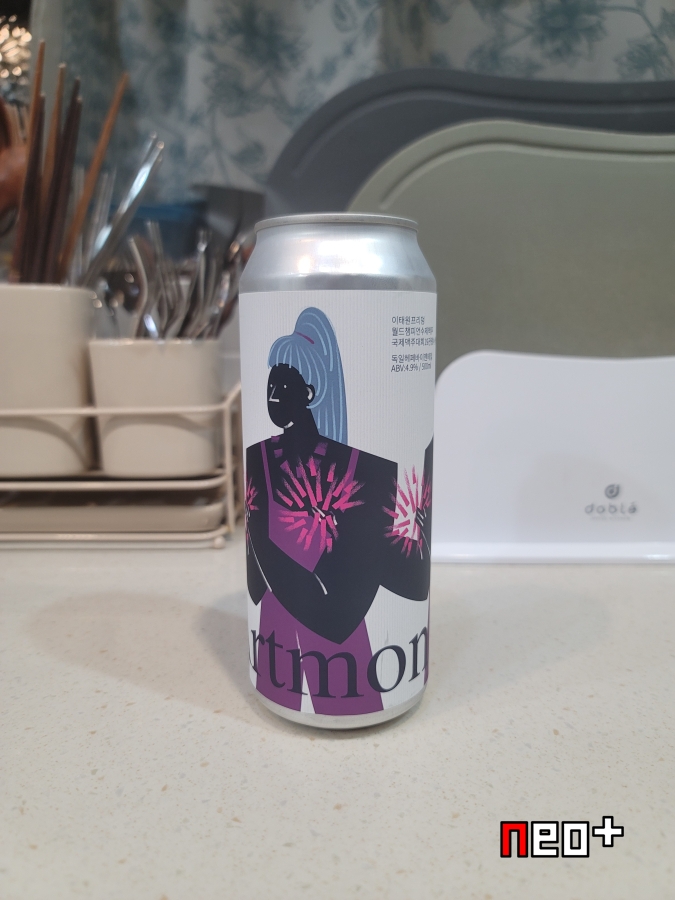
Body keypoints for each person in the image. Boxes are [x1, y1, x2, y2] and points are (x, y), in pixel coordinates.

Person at [246, 307, 432, 714]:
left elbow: (352, 608)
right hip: (277, 637)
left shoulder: (366, 470)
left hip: (346, 647)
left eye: (284, 385)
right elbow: (256, 589)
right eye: (270, 384)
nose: (272, 395)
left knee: (352, 689)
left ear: (310, 393)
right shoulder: (256, 459)